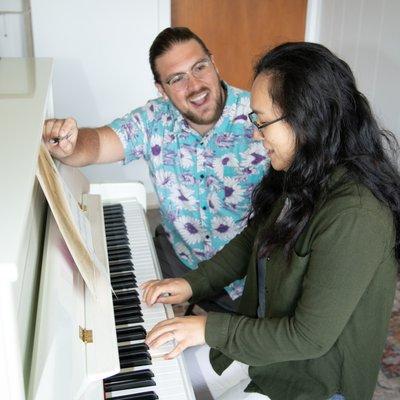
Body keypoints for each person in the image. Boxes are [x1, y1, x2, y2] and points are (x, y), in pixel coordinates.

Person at [141, 42, 400, 400]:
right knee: (160, 369)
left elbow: (308, 338)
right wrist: (192, 284)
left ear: (305, 118)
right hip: (265, 349)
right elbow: (255, 238)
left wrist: (208, 329)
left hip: (312, 380)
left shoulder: (357, 214)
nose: (256, 133)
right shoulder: (305, 170)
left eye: (262, 122)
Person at [42, 27, 267, 311]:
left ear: (214, 62)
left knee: (243, 349)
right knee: (118, 313)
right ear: (161, 89)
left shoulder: (258, 116)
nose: (195, 85)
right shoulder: (154, 119)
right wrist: (69, 144)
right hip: (179, 260)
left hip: (243, 278)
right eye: (177, 79)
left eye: (200, 67)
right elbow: (98, 143)